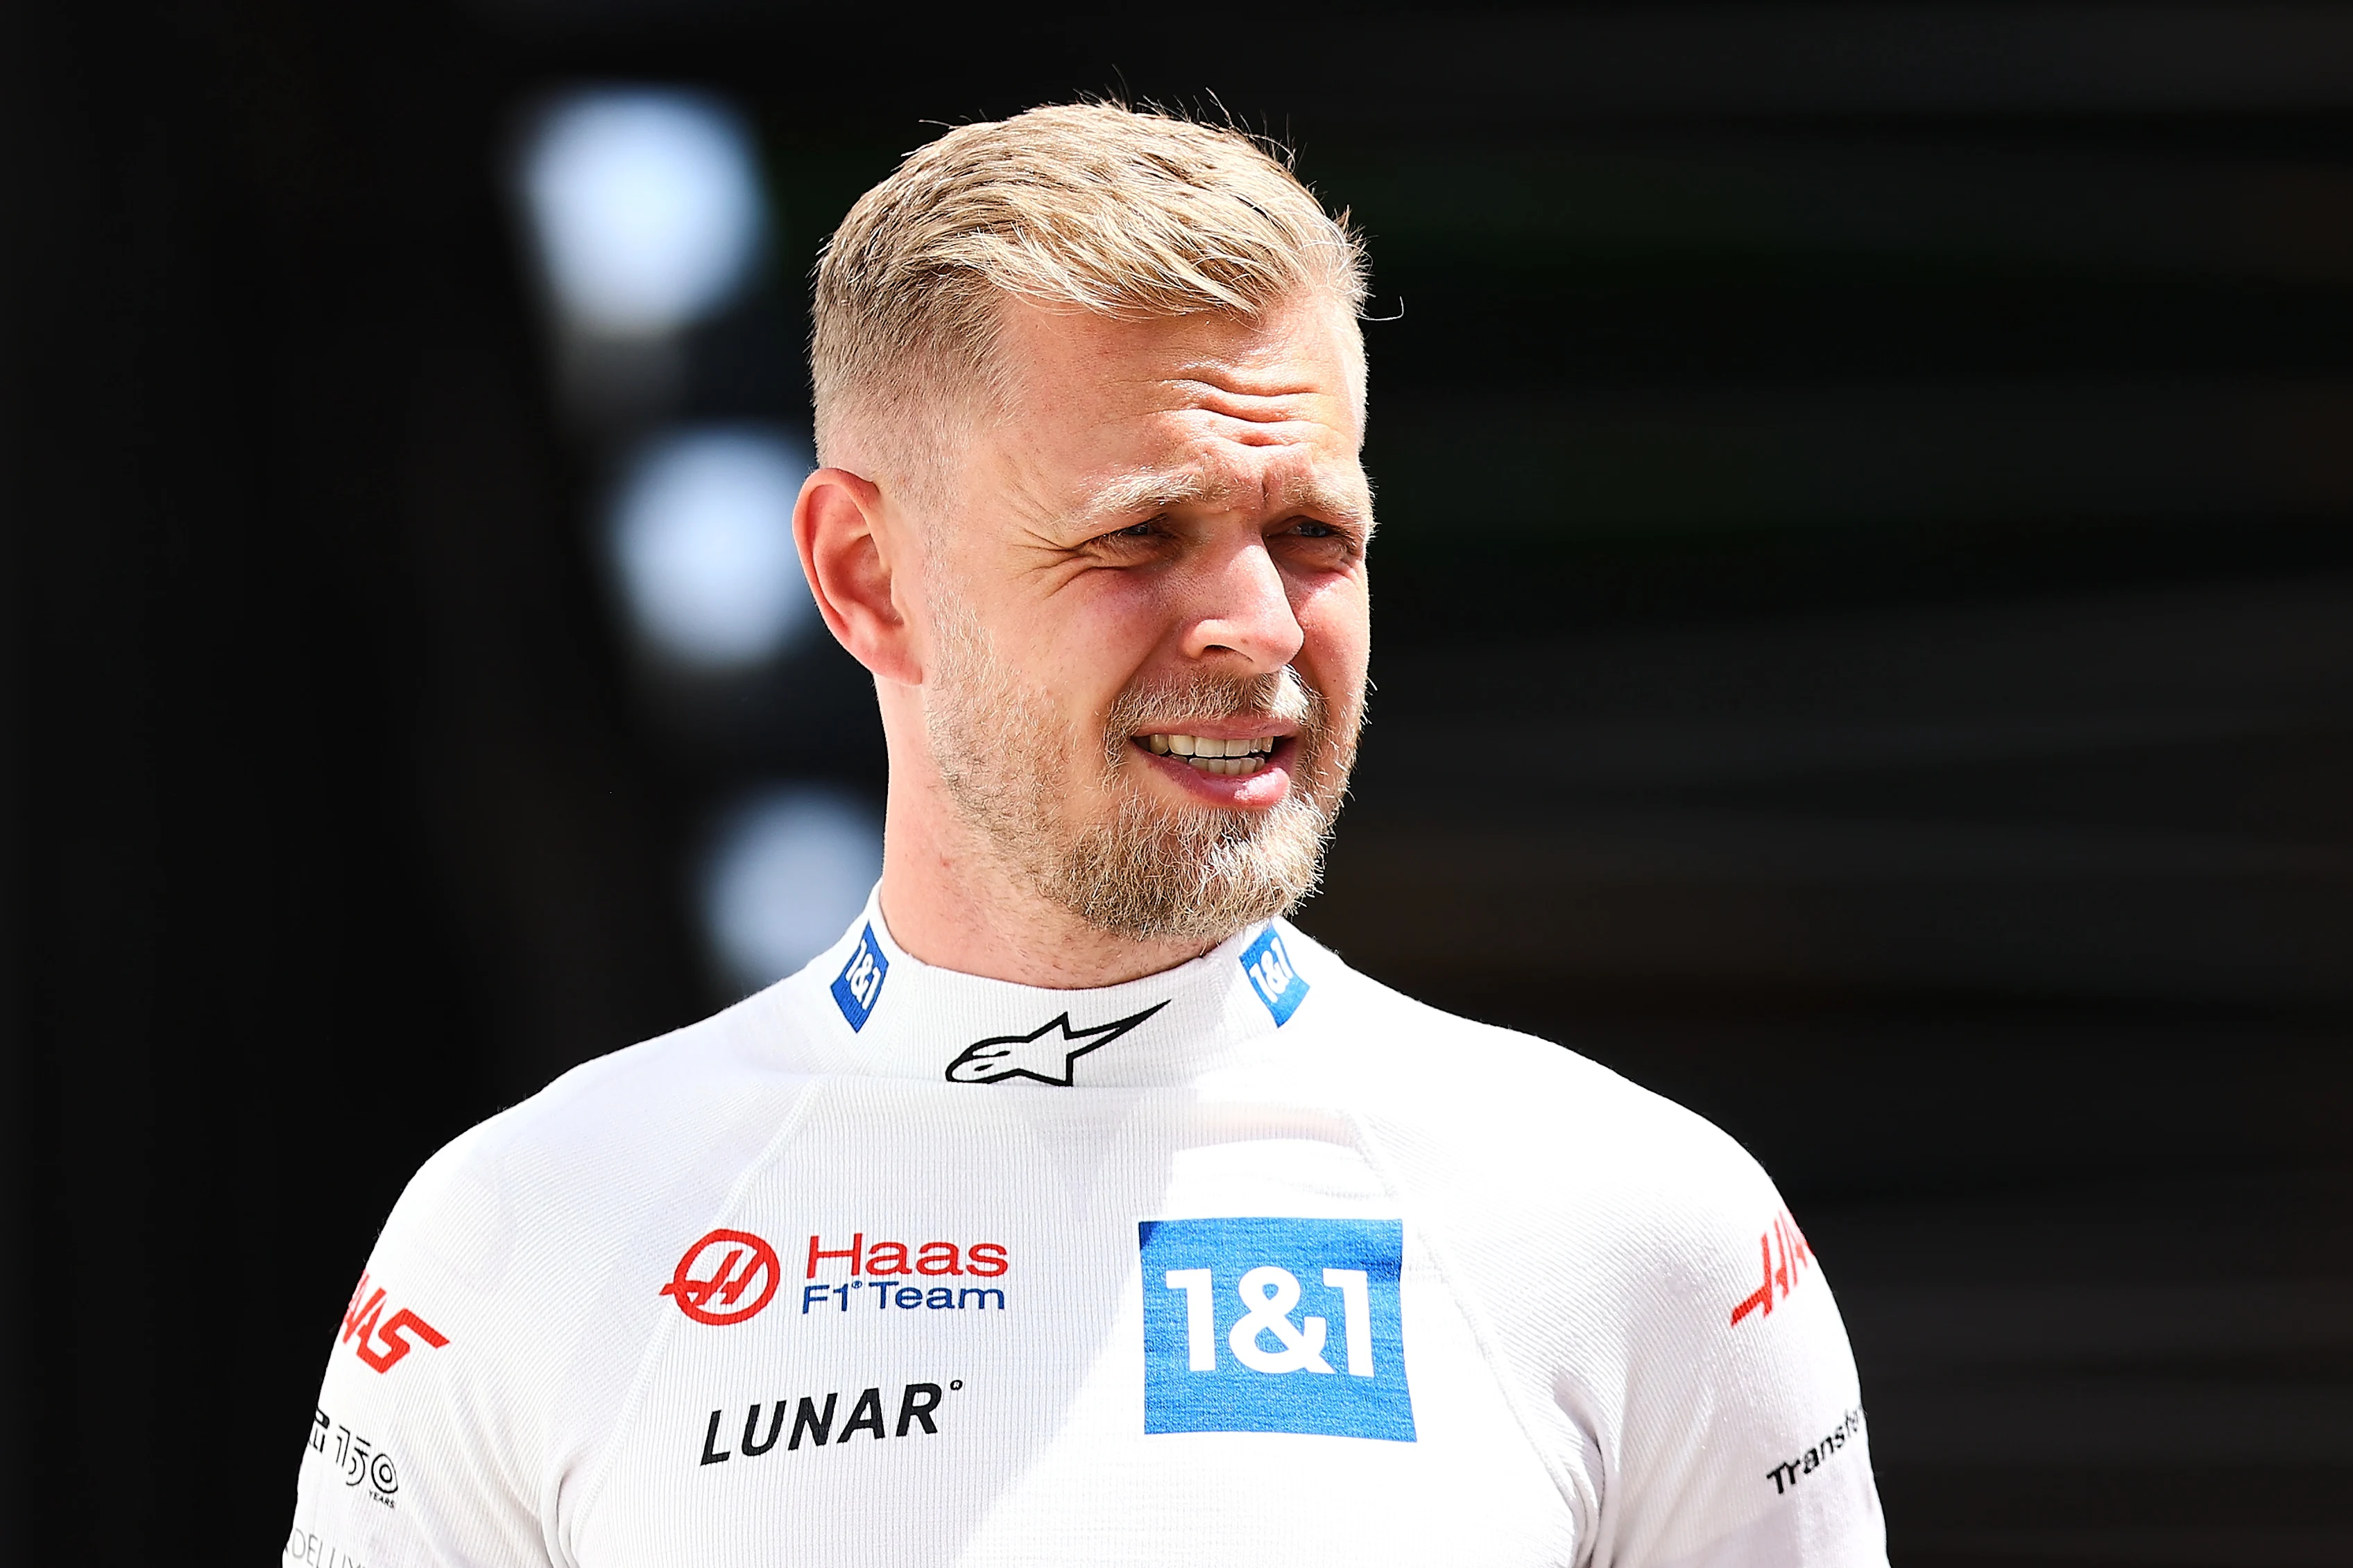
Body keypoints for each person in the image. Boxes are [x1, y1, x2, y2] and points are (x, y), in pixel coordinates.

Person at [288, 103, 1887, 1567]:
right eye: (1142, 532)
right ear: (866, 575)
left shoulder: (1640, 1223)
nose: (1258, 626)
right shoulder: (520, 1233)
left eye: (1313, 532)